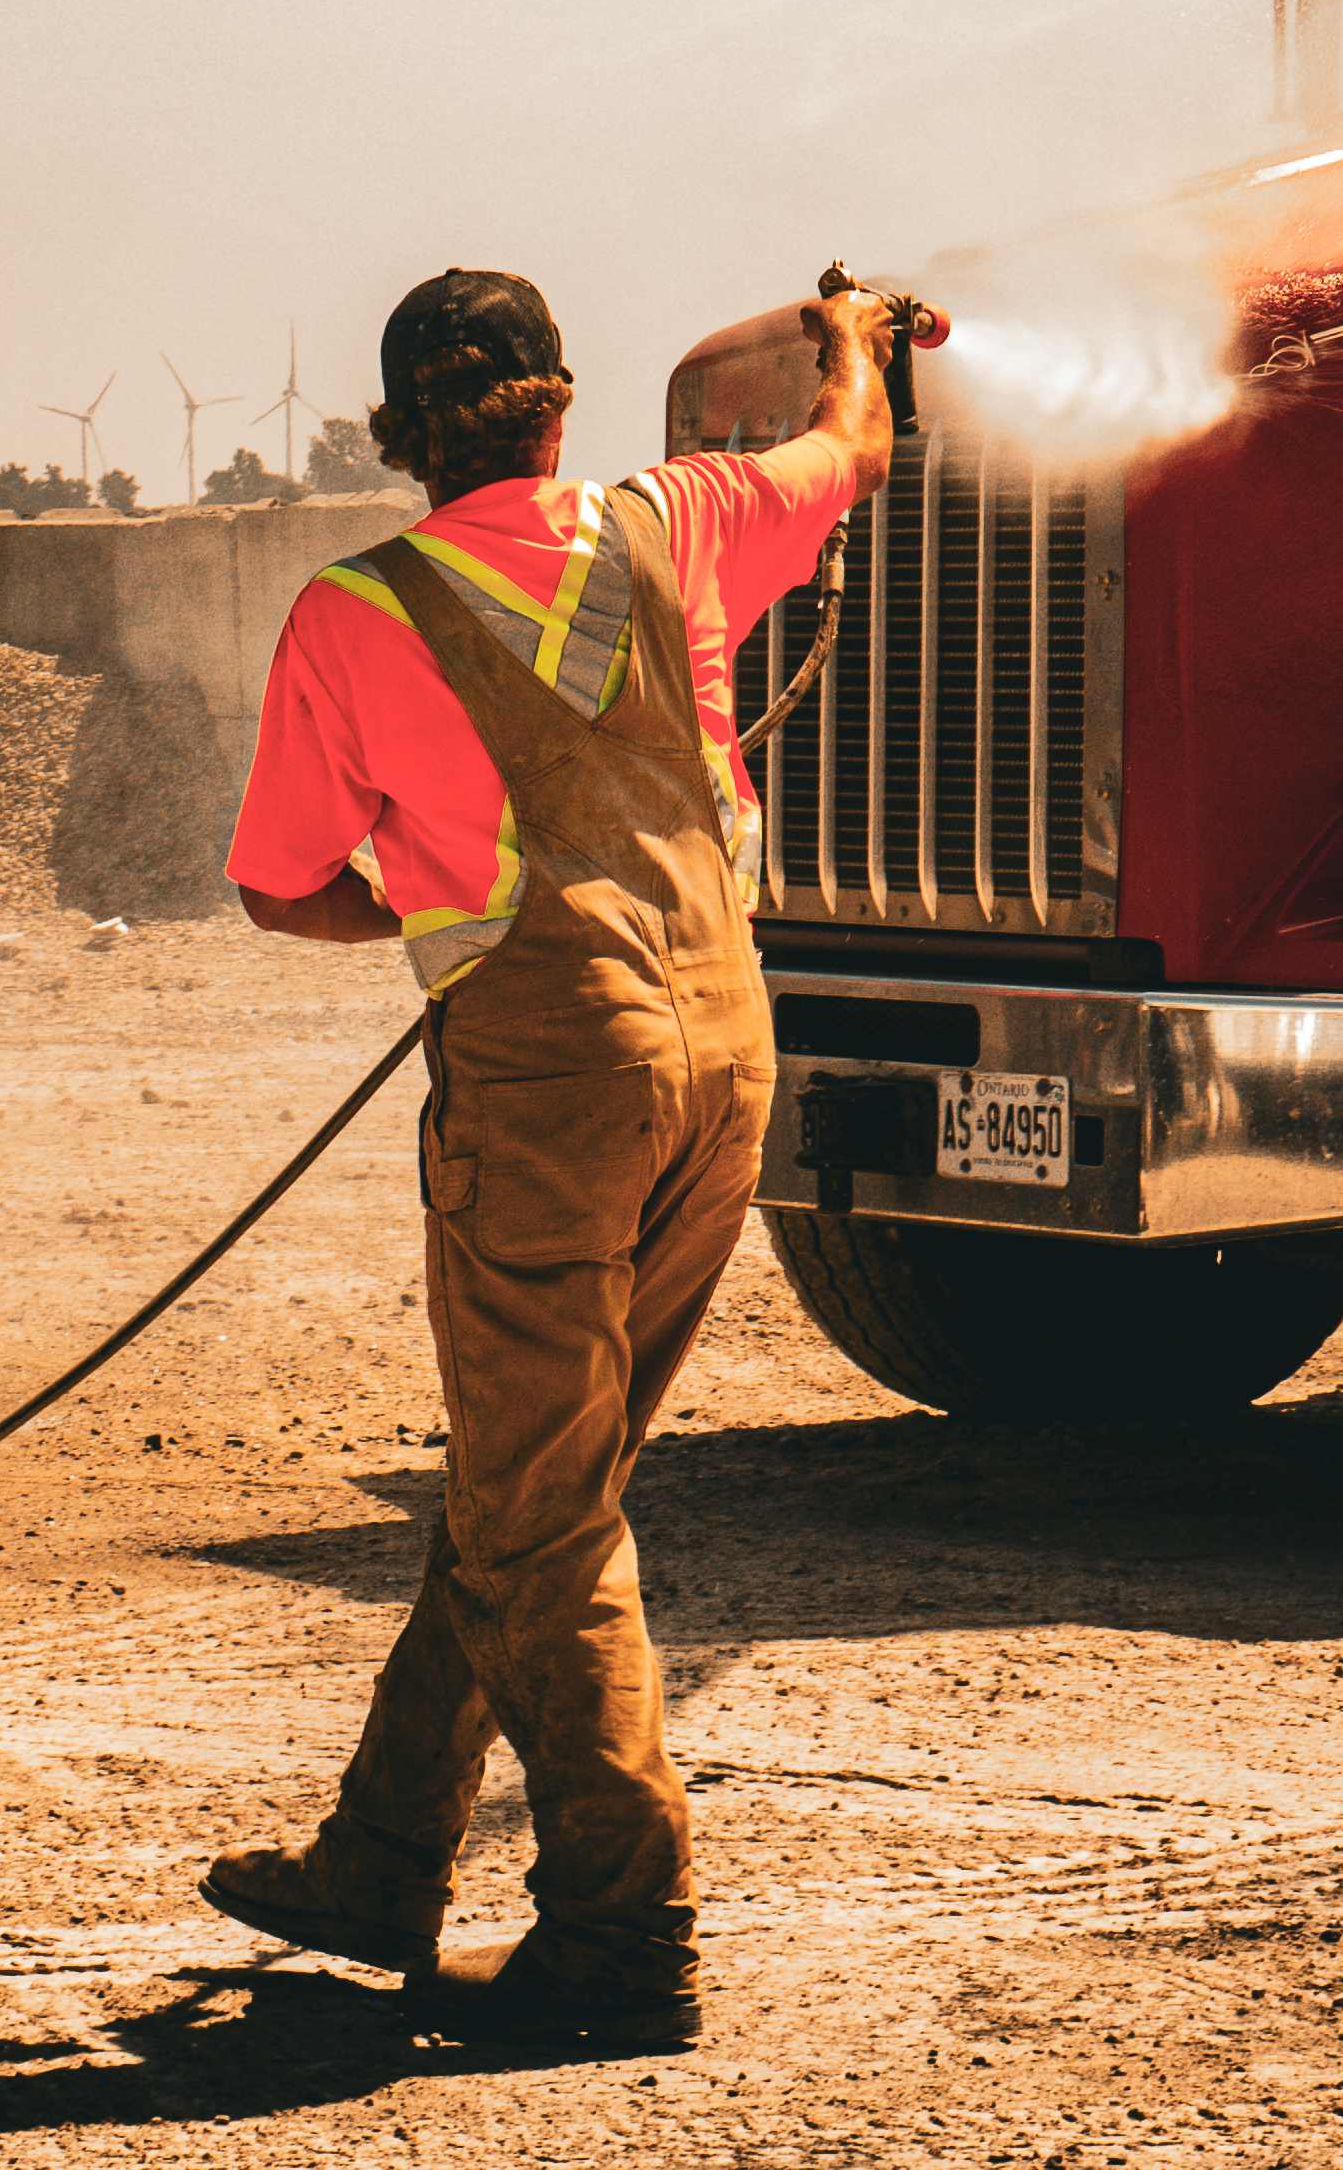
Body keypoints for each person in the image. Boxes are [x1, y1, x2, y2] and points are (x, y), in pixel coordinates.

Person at [209, 266, 896, 2050]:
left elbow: (286, 887)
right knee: (541, 1484)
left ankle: (622, 1929)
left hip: (546, 1084)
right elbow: (851, 449)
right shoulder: (685, 520)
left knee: (543, 1505)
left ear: (398, 437)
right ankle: (379, 1858)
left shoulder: (354, 613)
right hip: (727, 1055)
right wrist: (856, 340)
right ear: (561, 405)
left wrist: (446, 914)